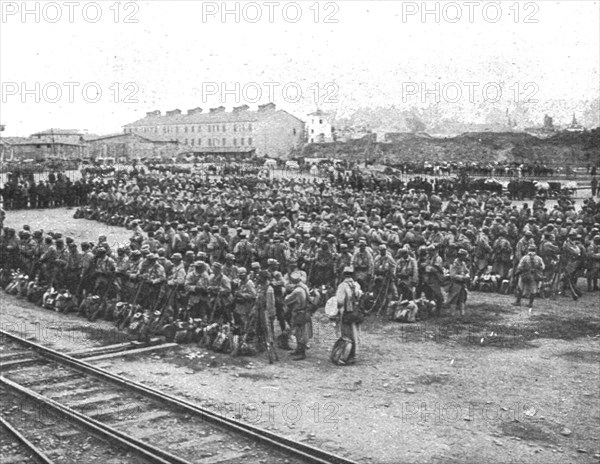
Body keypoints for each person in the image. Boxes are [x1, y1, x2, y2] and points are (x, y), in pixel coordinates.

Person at [335, 266, 363, 365]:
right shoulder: (357, 285)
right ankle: (355, 354)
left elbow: (340, 301)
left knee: (347, 336)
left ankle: (345, 357)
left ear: (344, 274)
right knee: (356, 334)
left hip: (347, 313)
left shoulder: (342, 286)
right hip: (356, 312)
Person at [284, 271, 311, 360]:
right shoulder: (304, 287)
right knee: (301, 332)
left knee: (299, 333)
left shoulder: (297, 291)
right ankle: (298, 350)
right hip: (304, 311)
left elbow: (287, 299)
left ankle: (301, 353)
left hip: (298, 312)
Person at [514, 244, 545, 309]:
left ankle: (518, 301)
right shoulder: (539, 258)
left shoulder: (524, 257)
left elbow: (519, 266)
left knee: (520, 287)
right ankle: (530, 303)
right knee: (533, 290)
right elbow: (542, 267)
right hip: (534, 275)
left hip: (525, 274)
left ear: (528, 250)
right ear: (535, 250)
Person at [447, 249, 470, 315]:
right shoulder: (454, 264)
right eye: (464, 256)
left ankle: (462, 313)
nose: (465, 257)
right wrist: (462, 277)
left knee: (462, 297)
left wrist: (467, 276)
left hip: (462, 284)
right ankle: (452, 313)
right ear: (461, 256)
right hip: (455, 284)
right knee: (454, 298)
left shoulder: (463, 263)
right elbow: (452, 275)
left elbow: (467, 271)